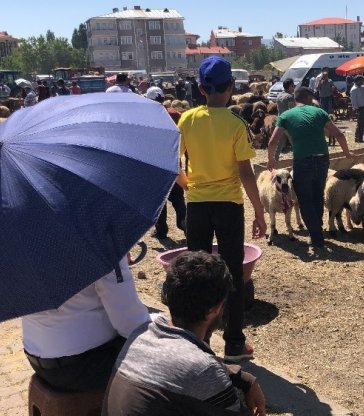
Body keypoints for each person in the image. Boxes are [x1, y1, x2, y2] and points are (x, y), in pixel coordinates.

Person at [177, 56, 267, 362]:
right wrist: (260, 211)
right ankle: (234, 343)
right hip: (229, 206)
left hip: (197, 207)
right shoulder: (235, 123)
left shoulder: (187, 120)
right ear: (231, 87)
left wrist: (188, 184)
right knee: (232, 275)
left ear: (201, 88)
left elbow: (171, 163)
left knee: (197, 275)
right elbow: (245, 172)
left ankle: (197, 341)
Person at [103, 251, 266, 416]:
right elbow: (198, 369)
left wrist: (243, 379)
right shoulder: (204, 370)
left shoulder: (139, 336)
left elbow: (179, 364)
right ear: (216, 309)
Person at [22, 257, 151, 392]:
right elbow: (131, 324)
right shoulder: (99, 244)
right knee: (159, 362)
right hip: (83, 365)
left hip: (37, 359)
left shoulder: (23, 247)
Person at [267, 87, 354, 249]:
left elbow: (272, 142)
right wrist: (347, 153)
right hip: (322, 160)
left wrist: (270, 160)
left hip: (302, 161)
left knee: (305, 199)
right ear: (307, 97)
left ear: (295, 99)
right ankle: (317, 229)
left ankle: (316, 236)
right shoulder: (319, 112)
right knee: (317, 195)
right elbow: (339, 134)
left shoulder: (285, 115)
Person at [145, 87, 187, 240]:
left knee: (160, 201)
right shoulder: (175, 115)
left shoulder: (145, 118)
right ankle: (185, 223)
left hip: (155, 167)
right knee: (177, 197)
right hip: (174, 164)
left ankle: (161, 230)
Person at [273, 78, 296, 160]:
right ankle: (299, 158)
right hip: (288, 123)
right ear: (290, 87)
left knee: (280, 142)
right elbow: (292, 111)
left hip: (280, 122)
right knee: (295, 142)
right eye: (293, 86)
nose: (294, 88)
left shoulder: (279, 96)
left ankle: (275, 159)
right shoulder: (290, 97)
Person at [349, 75, 364, 143]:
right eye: (361, 81)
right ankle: (358, 137)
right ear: (358, 81)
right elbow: (353, 101)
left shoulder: (360, 87)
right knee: (360, 124)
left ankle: (359, 137)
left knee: (363, 124)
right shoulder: (354, 89)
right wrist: (356, 109)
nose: (362, 82)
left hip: (363, 107)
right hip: (359, 108)